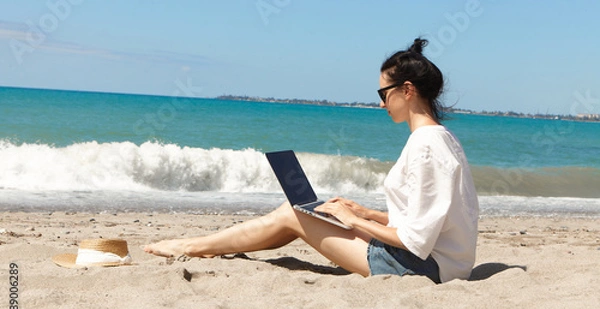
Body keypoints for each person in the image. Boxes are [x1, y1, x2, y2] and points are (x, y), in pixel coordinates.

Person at [144, 38, 479, 283]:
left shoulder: (426, 145)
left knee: (293, 215)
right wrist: (367, 213)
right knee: (298, 215)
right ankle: (200, 245)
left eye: (382, 94)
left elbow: (414, 241)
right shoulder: (440, 139)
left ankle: (192, 246)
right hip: (439, 263)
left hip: (423, 269)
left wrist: (352, 220)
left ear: (406, 90)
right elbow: (427, 218)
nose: (380, 104)